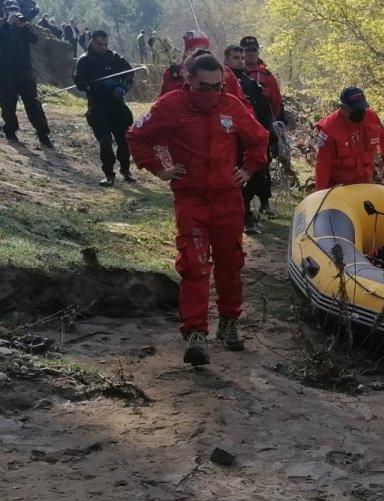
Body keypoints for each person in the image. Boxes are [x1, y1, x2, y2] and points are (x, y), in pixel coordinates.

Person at [126, 53, 269, 366]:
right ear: (189, 80)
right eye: (205, 87)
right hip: (191, 200)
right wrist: (159, 169)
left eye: (217, 86)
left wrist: (247, 170)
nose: (212, 93)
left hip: (228, 200)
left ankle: (229, 323)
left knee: (231, 263)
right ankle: (195, 335)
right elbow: (137, 136)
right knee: (194, 265)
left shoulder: (231, 105)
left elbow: (259, 140)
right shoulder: (171, 106)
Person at [223, 44, 277, 234]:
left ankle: (244, 205)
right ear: (226, 60)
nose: (240, 61)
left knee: (259, 174)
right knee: (232, 176)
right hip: (227, 138)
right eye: (236, 58)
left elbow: (262, 110)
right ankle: (243, 215)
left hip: (249, 136)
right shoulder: (217, 80)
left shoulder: (250, 84)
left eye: (242, 58)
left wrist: (270, 133)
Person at [73, 30, 136, 186]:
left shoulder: (113, 57)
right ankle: (109, 174)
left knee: (123, 141)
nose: (103, 47)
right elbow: (80, 83)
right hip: (98, 107)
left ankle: (126, 171)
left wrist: (122, 86)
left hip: (117, 106)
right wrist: (100, 85)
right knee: (105, 142)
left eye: (106, 44)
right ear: (92, 42)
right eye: (100, 44)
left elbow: (129, 73)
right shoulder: (84, 61)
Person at [314, 87, 384, 191]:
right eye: (354, 110)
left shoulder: (371, 116)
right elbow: (323, 165)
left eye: (361, 109)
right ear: (342, 108)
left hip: (365, 182)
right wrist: (320, 194)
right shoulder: (329, 128)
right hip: (339, 187)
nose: (360, 113)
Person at [0, 1, 53, 147]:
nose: (13, 12)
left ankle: (43, 134)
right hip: (6, 71)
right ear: (5, 11)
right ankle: (10, 131)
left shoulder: (24, 25)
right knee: (8, 103)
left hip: (24, 71)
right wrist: (7, 25)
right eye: (10, 9)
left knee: (33, 103)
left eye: (15, 9)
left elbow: (34, 39)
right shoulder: (2, 25)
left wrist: (22, 27)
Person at [159, 31, 245, 103]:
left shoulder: (224, 72)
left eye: (204, 49)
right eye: (193, 50)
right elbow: (160, 105)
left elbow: (242, 104)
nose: (199, 53)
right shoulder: (172, 74)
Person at [239, 36, 283, 120]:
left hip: (263, 123)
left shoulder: (267, 75)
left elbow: (276, 101)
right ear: (241, 52)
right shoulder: (234, 73)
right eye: (248, 50)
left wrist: (279, 121)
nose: (251, 53)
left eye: (254, 50)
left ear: (258, 52)